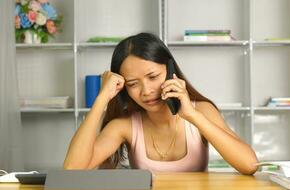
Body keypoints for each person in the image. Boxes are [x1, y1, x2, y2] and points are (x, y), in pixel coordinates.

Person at [64, 32, 258, 175]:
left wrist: (192, 115)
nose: (146, 91)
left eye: (153, 76)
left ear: (170, 69)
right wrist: (101, 99)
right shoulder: (125, 125)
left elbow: (249, 165)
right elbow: (73, 170)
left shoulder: (202, 111)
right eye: (133, 84)